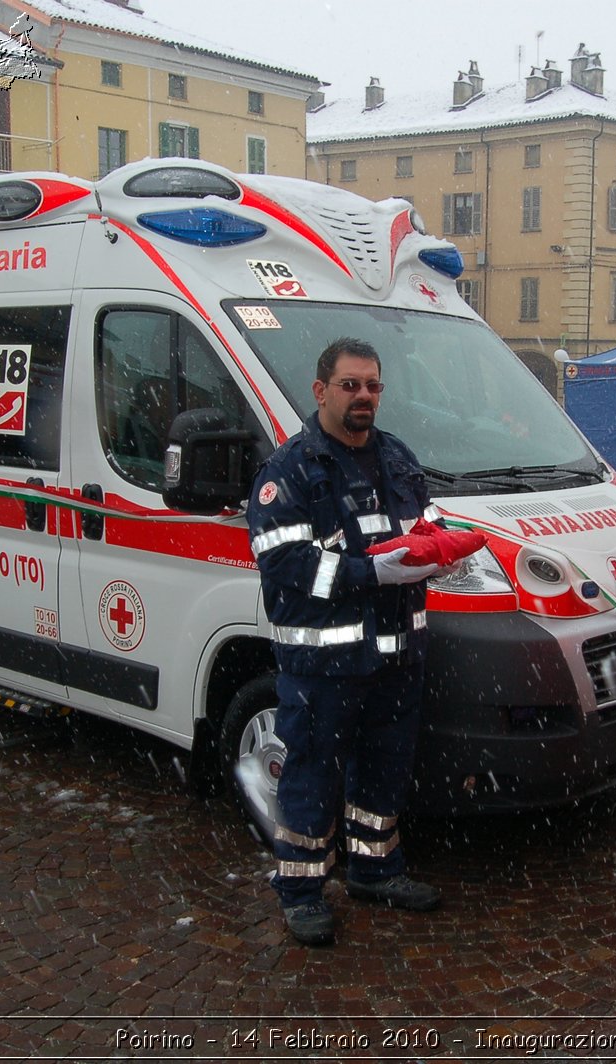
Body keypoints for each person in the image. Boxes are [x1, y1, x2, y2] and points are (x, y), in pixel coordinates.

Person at [245, 337, 444, 947]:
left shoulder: (397, 457)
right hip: (324, 664)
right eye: (351, 385)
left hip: (396, 658)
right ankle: (301, 892)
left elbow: (427, 523)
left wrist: (438, 550)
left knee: (384, 774)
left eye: (373, 386)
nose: (364, 396)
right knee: (312, 777)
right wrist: (371, 572)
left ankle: (375, 870)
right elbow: (284, 562)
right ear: (321, 390)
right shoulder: (291, 469)